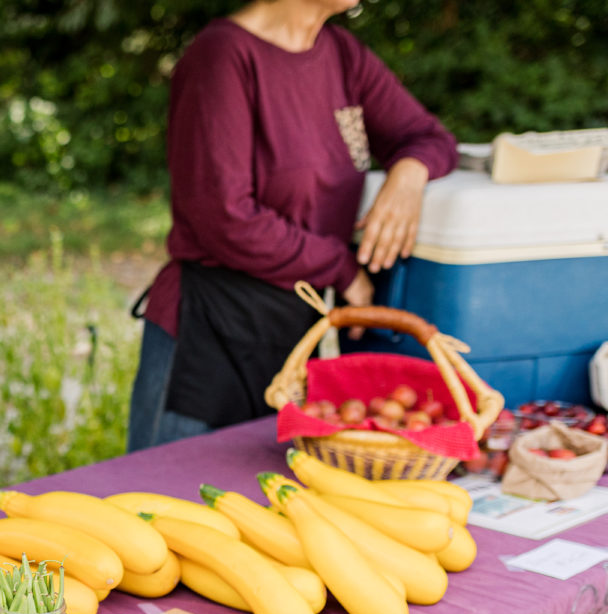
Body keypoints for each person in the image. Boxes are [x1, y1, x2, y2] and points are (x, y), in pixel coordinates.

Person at [127, 0, 458, 451]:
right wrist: (342, 270)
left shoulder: (342, 54)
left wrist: (409, 175)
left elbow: (429, 137)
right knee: (170, 503)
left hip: (291, 335)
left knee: (266, 506)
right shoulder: (223, 56)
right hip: (212, 333)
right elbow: (224, 218)